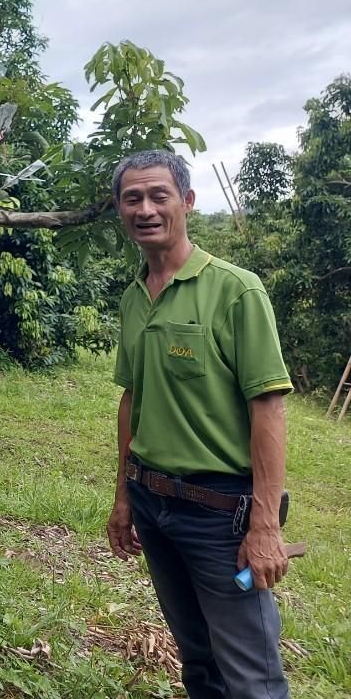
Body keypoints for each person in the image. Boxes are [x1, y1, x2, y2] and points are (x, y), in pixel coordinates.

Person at [106, 150, 294, 699]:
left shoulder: (236, 290)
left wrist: (265, 526)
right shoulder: (134, 297)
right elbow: (131, 400)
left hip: (221, 518)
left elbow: (269, 408)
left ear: (186, 202)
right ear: (120, 210)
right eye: (131, 198)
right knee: (199, 661)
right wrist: (122, 498)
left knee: (251, 677)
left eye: (158, 195)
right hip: (153, 502)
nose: (145, 209)